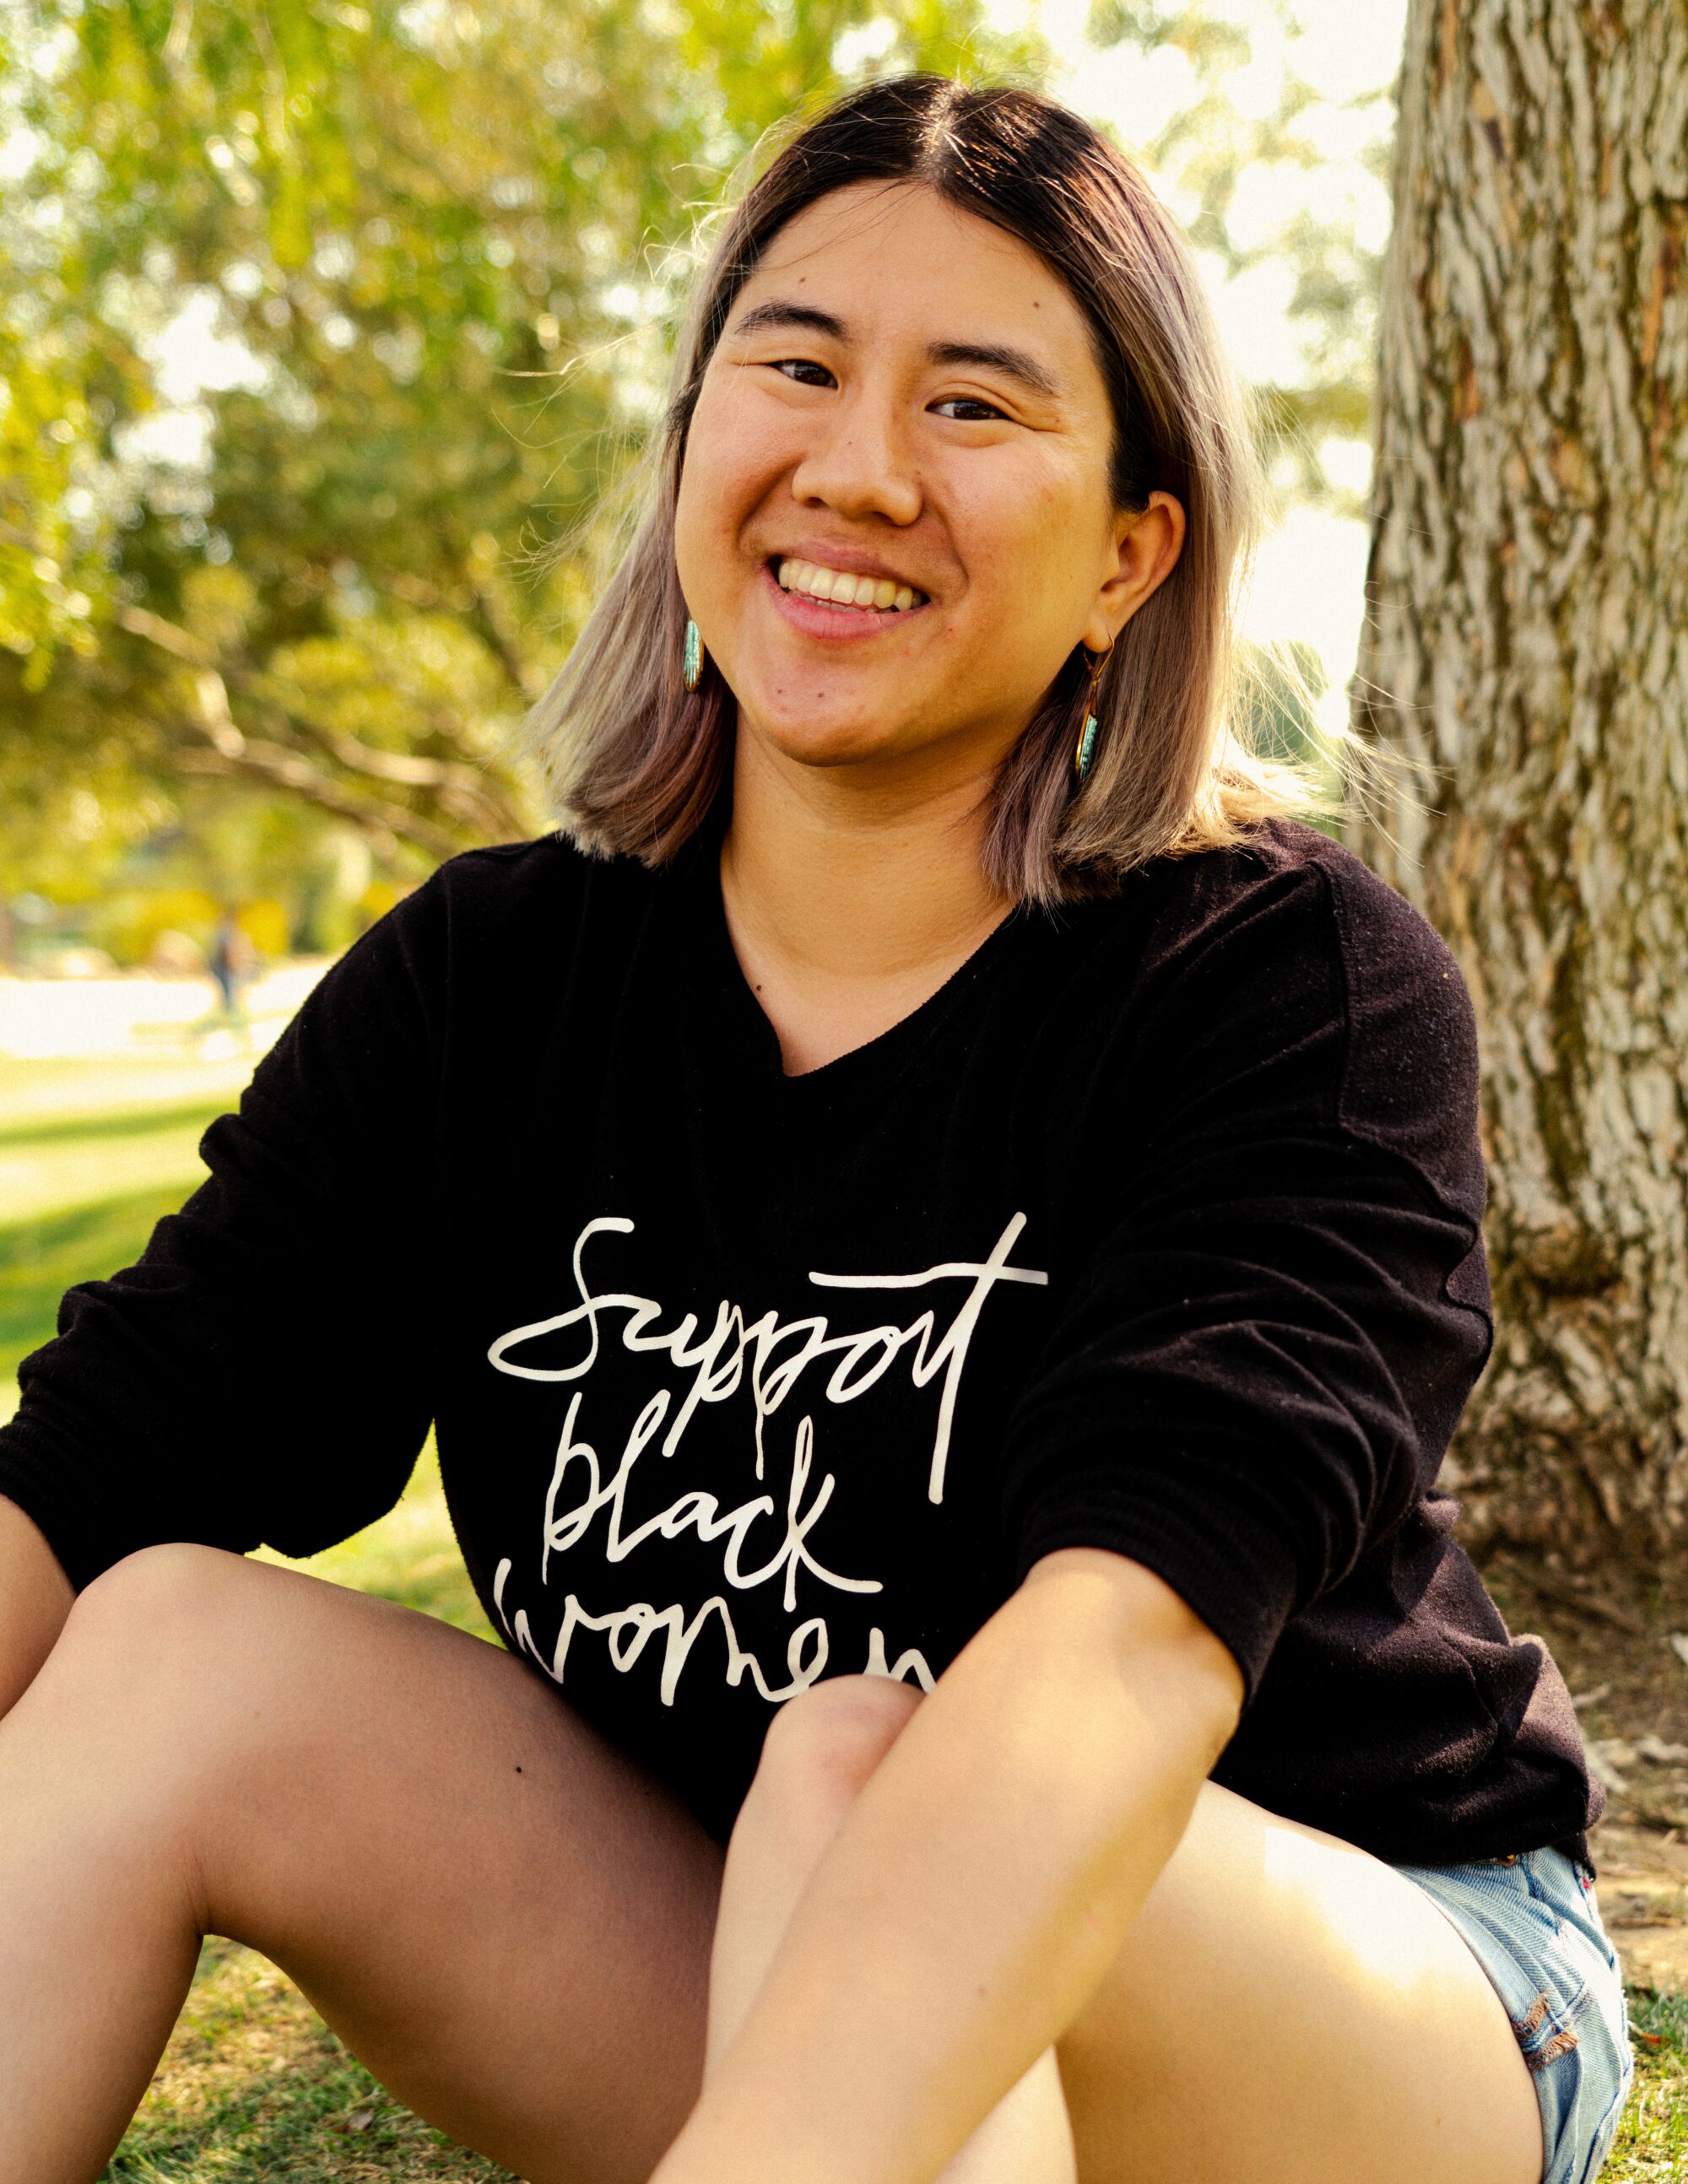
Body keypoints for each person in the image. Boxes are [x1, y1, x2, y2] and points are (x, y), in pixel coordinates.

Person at [0, 73, 1631, 2184]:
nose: (856, 470)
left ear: (1135, 549)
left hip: (1369, 1979)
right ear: (694, 441)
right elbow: (99, 1463)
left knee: (874, 1760)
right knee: (165, 1651)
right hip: (778, 1939)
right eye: (794, 365)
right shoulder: (494, 986)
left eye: (974, 404)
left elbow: (1119, 1663)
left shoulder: (1279, 985)